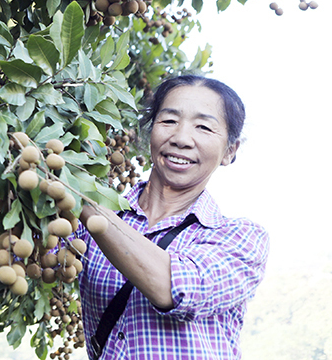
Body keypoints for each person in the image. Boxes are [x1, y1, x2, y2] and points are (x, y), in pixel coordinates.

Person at [77, 75, 269, 360]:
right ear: (149, 132)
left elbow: (172, 288)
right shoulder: (93, 218)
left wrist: (77, 193)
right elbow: (13, 255)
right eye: (168, 121)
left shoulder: (241, 239)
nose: (180, 139)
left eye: (203, 127)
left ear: (230, 151)